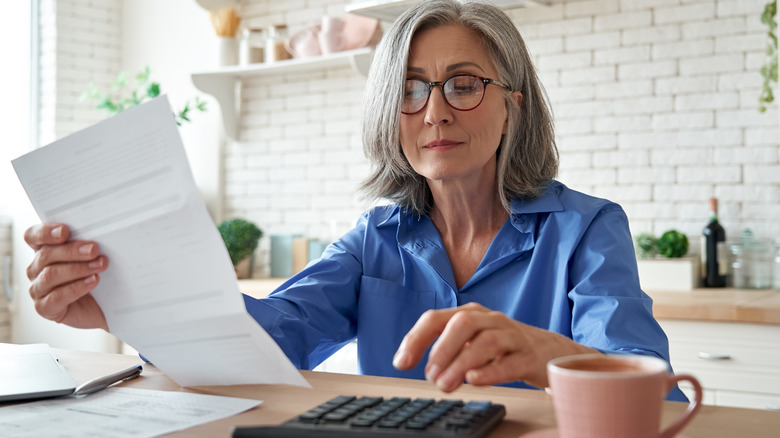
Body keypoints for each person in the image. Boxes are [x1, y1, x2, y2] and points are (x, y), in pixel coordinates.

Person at [23, 0, 686, 400]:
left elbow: (650, 385)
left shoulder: (587, 230)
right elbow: (269, 339)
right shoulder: (376, 239)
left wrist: (545, 354)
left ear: (511, 107)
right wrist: (124, 304)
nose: (433, 112)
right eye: (411, 88)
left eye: (462, 84)